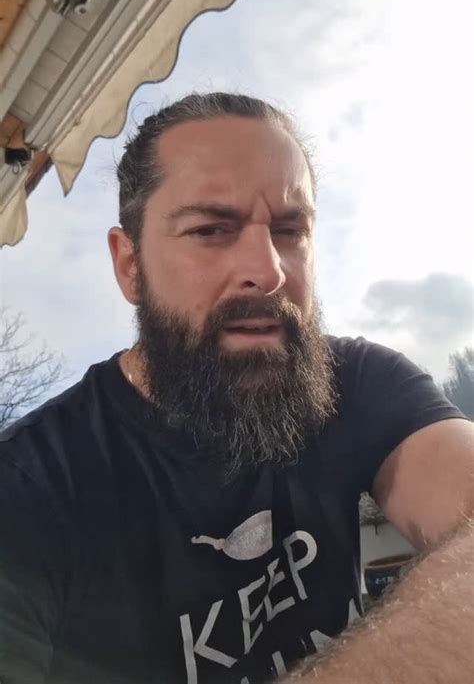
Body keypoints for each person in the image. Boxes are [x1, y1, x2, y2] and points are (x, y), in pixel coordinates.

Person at [0, 93, 472, 684]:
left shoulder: (353, 381)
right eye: (211, 229)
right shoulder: (30, 486)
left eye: (290, 229)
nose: (268, 270)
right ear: (130, 265)